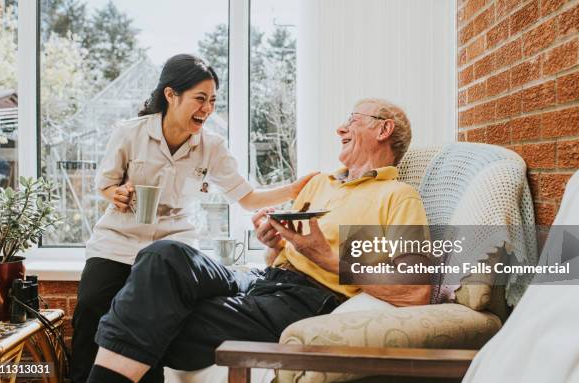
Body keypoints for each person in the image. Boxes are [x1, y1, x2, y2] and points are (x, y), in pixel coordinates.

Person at [86, 98, 432, 383]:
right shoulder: (319, 183)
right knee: (164, 255)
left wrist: (326, 258)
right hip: (263, 280)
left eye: (353, 119)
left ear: (383, 129)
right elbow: (279, 259)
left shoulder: (396, 196)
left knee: (158, 313)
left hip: (306, 299)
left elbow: (416, 291)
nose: (340, 128)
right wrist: (274, 244)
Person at [71, 54, 315, 383]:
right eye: (200, 99)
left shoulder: (211, 146)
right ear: (171, 95)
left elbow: (247, 198)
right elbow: (105, 183)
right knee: (90, 309)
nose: (207, 108)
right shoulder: (130, 133)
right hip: (118, 242)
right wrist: (115, 193)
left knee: (153, 320)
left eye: (212, 100)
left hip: (171, 247)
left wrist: (297, 187)